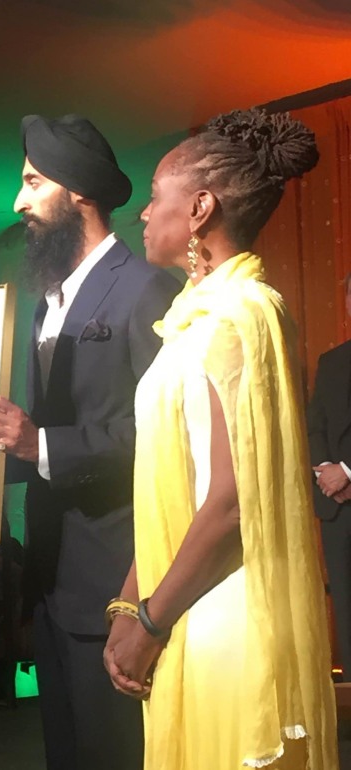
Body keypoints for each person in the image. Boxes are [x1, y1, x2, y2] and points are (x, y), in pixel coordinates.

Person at [0, 114, 181, 769]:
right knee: (67, 753)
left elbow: (170, 438)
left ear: (79, 192)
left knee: (115, 753)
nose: (18, 201)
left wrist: (39, 443)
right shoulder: (46, 302)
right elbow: (44, 440)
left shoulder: (147, 288)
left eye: (33, 182)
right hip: (52, 578)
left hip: (119, 577)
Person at [104, 108, 338, 770]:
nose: (145, 215)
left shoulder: (241, 316)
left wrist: (147, 623)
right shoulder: (198, 319)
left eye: (155, 198)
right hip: (188, 604)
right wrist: (131, 604)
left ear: (201, 208)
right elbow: (172, 489)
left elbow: (232, 501)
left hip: (223, 614)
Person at [308, 271, 351, 681]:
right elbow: (314, 424)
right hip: (337, 512)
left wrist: (347, 470)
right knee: (346, 609)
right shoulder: (332, 362)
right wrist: (324, 471)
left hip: (346, 486)